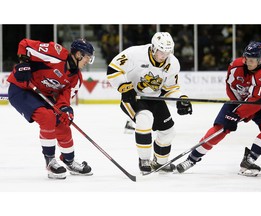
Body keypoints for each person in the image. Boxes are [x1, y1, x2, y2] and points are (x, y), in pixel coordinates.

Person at [176, 41, 261, 177]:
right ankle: (191, 159)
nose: (248, 62)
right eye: (246, 58)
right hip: (238, 101)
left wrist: (238, 114)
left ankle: (249, 159)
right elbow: (230, 86)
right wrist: (235, 106)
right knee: (219, 129)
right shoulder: (236, 66)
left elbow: (256, 102)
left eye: (252, 60)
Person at [7, 38, 95, 179]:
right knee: (46, 117)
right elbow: (25, 44)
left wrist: (66, 110)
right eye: (87, 57)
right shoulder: (55, 53)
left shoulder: (76, 78)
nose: (88, 61)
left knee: (63, 124)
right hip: (21, 88)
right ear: (78, 54)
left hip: (42, 95)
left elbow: (63, 100)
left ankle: (69, 160)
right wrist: (23, 63)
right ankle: (50, 161)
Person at [107, 32, 192, 174]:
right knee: (144, 119)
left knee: (168, 132)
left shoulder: (173, 63)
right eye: (161, 51)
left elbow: (170, 89)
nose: (164, 56)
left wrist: (180, 101)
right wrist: (125, 88)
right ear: (153, 48)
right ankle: (144, 160)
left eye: (167, 52)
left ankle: (159, 162)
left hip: (155, 98)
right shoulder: (135, 53)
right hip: (134, 98)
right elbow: (113, 69)